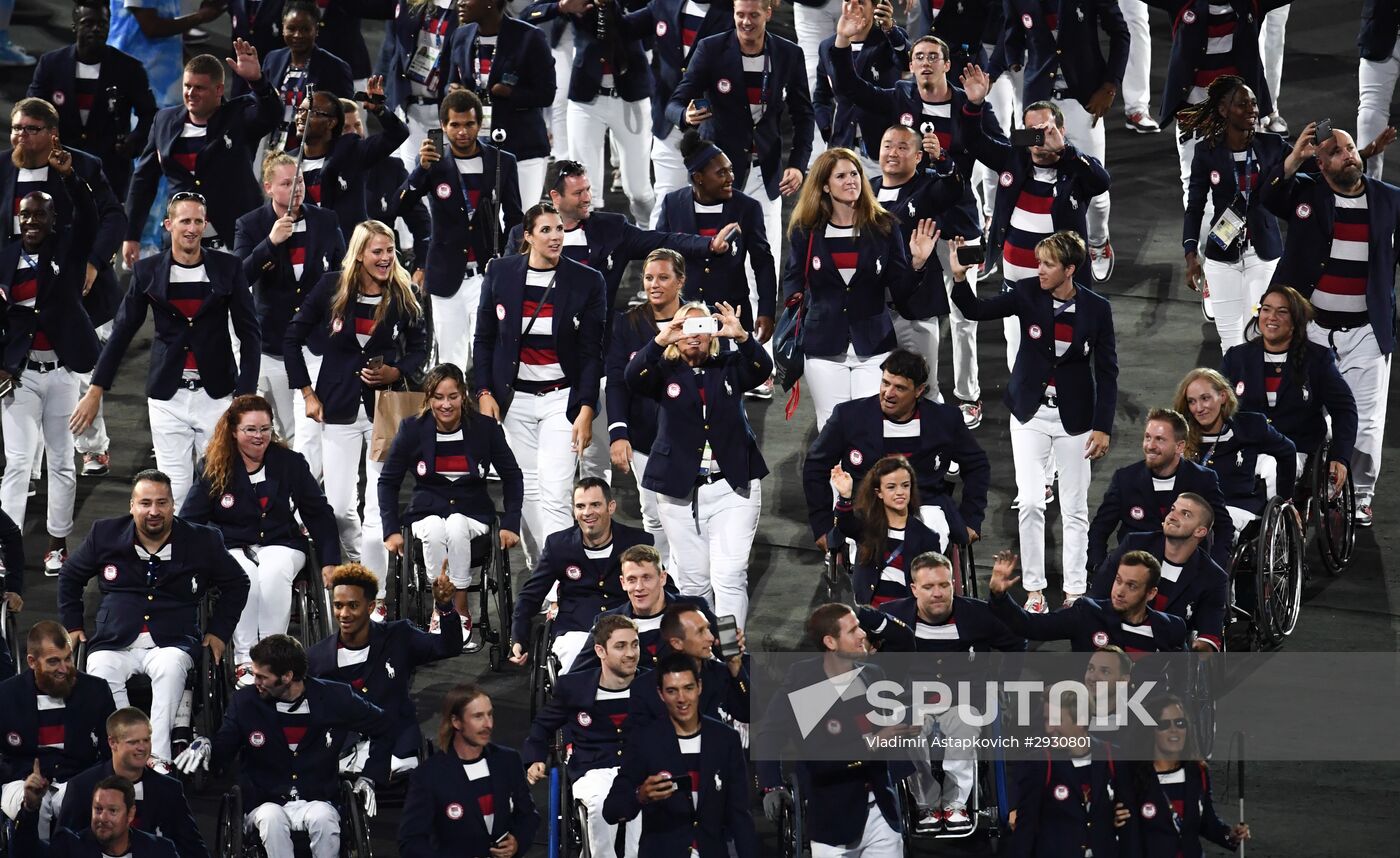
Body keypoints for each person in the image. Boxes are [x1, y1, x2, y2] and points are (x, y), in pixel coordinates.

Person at [827, 15, 997, 423]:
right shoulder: (900, 95)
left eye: (932, 57)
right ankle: (917, 389)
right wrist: (841, 42)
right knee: (908, 307)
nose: (923, 63)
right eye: (918, 56)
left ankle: (968, 393)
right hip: (909, 222)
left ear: (946, 64)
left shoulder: (967, 104)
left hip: (958, 220)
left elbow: (996, 152)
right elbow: (850, 88)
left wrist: (951, 154)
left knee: (962, 315)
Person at [949, 231, 1116, 611]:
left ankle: (1075, 591)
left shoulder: (1096, 309)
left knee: (1074, 507)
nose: (1038, 269)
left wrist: (1102, 426)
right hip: (1030, 413)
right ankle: (1035, 591)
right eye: (1038, 263)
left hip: (1076, 419)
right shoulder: (1027, 294)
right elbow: (977, 310)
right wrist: (959, 278)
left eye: (1047, 264)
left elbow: (1108, 373)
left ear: (1069, 269)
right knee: (1030, 502)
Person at [73, 192, 262, 508]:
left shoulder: (228, 267)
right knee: (176, 491)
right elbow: (121, 333)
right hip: (167, 398)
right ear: (168, 224)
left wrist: (244, 396)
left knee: (221, 490)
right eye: (185, 220)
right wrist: (96, 390)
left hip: (217, 397)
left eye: (198, 221)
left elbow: (250, 334)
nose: (192, 228)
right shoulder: (147, 271)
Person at [57, 470, 250, 765]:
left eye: (162, 503)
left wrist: (219, 632)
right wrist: (73, 625)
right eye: (145, 503)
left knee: (171, 669)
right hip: (114, 641)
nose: (154, 511)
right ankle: (123, 753)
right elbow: (70, 575)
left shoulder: (203, 540)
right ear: (132, 506)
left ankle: (157, 756)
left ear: (173, 505)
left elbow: (237, 583)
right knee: (98, 670)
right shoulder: (104, 534)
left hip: (172, 642)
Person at [1260, 122, 1400, 527]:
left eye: (1352, 148)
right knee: (1302, 408)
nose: (1349, 155)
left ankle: (1359, 494)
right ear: (1320, 163)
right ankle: (1304, 478)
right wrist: (1293, 158)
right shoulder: (1305, 194)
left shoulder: (1390, 200)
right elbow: (1265, 194)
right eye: (1337, 151)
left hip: (1367, 332)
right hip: (1312, 329)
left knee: (1368, 418)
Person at [284, 220, 430, 584]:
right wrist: (306, 393)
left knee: (379, 506)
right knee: (338, 508)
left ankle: (375, 594)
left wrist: (396, 372)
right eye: (376, 251)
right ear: (360, 254)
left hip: (386, 409)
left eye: (389, 250)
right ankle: (360, 567)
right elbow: (291, 338)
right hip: (337, 407)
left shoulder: (403, 292)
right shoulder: (331, 287)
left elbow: (419, 348)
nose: (384, 258)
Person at [474, 202, 605, 569]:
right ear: (527, 236)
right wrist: (484, 393)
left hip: (561, 400)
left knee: (557, 491)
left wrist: (586, 408)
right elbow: (483, 339)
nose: (556, 236)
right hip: (514, 402)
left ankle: (561, 582)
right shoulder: (500, 273)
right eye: (546, 230)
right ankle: (541, 569)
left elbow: (592, 353)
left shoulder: (587, 281)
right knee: (527, 490)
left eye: (560, 229)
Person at [175, 634, 389, 858]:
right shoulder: (245, 703)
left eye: (261, 677)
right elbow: (223, 751)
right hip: (264, 800)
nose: (254, 682)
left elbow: (384, 726)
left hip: (317, 798)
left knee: (324, 817)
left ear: (287, 676)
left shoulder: (335, 697)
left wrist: (370, 776)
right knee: (271, 817)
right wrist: (207, 746)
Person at [625, 300, 769, 626]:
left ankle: (731, 654)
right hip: (678, 489)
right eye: (686, 328)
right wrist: (662, 339)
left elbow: (762, 369)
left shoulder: (730, 365)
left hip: (732, 485)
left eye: (701, 328)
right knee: (693, 581)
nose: (694, 336)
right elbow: (632, 377)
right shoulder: (663, 371)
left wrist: (743, 337)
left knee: (729, 576)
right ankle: (703, 653)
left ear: (712, 334)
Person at [958, 65, 1112, 365]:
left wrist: (1066, 151)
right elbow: (973, 142)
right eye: (1032, 132)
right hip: (1016, 289)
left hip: (1062, 292)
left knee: (1063, 361)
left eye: (1046, 131)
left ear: (1061, 131)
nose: (1038, 139)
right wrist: (974, 105)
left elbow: (1102, 181)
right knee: (1018, 363)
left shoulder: (1075, 169)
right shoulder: (1013, 158)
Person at [181, 395, 341, 683]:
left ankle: (272, 655)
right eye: (251, 430)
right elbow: (190, 520)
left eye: (265, 429)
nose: (259, 436)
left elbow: (318, 513)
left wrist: (330, 560)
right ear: (233, 431)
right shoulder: (214, 466)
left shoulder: (289, 463)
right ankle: (244, 660)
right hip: (231, 544)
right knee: (244, 577)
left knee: (273, 570)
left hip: (282, 542)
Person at [0, 158, 103, 577]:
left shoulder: (70, 249)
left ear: (53, 219)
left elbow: (92, 216)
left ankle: (57, 545)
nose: (31, 222)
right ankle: (7, 549)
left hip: (62, 375)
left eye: (40, 215)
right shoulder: (3, 256)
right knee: (19, 463)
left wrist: (70, 178)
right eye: (25, 215)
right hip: (19, 378)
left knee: (61, 461)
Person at [874, 552, 1025, 834]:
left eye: (944, 585)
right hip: (914, 701)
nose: (937, 593)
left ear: (953, 584)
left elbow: (1017, 642)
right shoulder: (893, 615)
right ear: (914, 589)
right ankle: (926, 804)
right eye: (928, 587)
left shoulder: (977, 614)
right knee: (909, 729)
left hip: (965, 700)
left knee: (966, 726)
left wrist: (1004, 684)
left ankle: (956, 804)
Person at [668, 0, 816, 283]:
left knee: (763, 259)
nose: (746, 22)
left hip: (766, 171)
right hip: (717, 176)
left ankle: (764, 327)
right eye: (740, 15)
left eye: (753, 15)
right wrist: (685, 116)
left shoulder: (788, 54)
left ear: (768, 14)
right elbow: (675, 102)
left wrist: (797, 165)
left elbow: (804, 116)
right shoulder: (711, 48)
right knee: (712, 261)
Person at [782, 148, 927, 429]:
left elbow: (899, 290)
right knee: (832, 425)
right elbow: (793, 277)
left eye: (854, 174)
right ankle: (835, 475)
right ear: (824, 185)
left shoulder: (884, 226)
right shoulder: (806, 230)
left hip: (873, 346)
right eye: (841, 176)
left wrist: (917, 264)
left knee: (870, 424)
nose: (851, 181)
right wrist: (795, 301)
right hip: (823, 345)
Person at [379, 363, 523, 645]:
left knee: (456, 524)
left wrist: (511, 522)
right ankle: (440, 607)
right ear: (428, 399)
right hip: (426, 509)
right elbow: (387, 481)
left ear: (464, 396)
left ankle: (460, 609)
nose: (446, 404)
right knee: (433, 528)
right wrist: (391, 529)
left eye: (453, 396)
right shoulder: (411, 429)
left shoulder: (485, 428)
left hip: (472, 511)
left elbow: (512, 475)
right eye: (438, 397)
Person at [755, 604, 907, 857]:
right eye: (853, 630)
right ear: (830, 641)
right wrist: (771, 785)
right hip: (833, 818)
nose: (862, 635)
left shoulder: (873, 673)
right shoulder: (805, 680)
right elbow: (774, 735)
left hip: (882, 812)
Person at [803, 348, 989, 552]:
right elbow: (815, 465)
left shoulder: (945, 419)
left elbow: (977, 464)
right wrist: (822, 524)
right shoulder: (849, 417)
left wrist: (972, 517)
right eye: (885, 383)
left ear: (919, 391)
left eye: (899, 388)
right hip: (868, 507)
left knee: (932, 549)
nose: (888, 393)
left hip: (926, 506)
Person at [1001, 0, 1127, 282]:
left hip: (1084, 104)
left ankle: (1097, 242)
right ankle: (1037, 250)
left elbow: (1121, 32)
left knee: (1095, 188)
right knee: (1029, 179)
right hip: (1036, 107)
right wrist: (1014, 64)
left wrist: (1110, 85)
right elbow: (1012, 32)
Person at [398, 89, 524, 371]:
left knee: (490, 358)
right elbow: (399, 206)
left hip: (488, 274)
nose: (462, 131)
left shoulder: (503, 161)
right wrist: (420, 170)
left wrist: (507, 261)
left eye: (469, 124)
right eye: (454, 125)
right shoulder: (433, 165)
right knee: (450, 363)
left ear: (480, 124)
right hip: (446, 278)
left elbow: (515, 218)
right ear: (443, 126)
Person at [122, 48, 284, 264]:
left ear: (219, 90)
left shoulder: (238, 116)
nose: (191, 93)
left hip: (235, 242)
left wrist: (258, 81)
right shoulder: (164, 120)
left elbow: (272, 114)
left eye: (199, 88)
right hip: (180, 244)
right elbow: (143, 180)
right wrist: (131, 234)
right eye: (187, 86)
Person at [308, 563, 464, 783]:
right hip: (343, 753)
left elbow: (448, 647)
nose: (343, 614)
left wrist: (445, 607)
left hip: (397, 749)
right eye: (338, 605)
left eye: (353, 605)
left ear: (371, 606)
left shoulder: (399, 636)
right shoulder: (316, 658)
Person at [233, 150, 347, 445]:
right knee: (285, 429)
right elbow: (241, 278)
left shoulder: (325, 220)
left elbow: (342, 274)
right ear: (268, 187)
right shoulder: (250, 225)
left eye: (299, 182)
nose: (296, 189)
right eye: (286, 183)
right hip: (271, 345)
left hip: (314, 343)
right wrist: (270, 243)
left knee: (310, 430)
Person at [602, 652, 758, 857]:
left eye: (688, 688)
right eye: (672, 691)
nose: (682, 699)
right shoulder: (645, 741)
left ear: (699, 687)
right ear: (660, 694)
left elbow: (740, 815)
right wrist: (640, 796)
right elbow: (612, 811)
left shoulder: (725, 740)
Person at [521, 615, 645, 857]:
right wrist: (535, 757)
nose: (631, 653)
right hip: (592, 768)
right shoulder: (574, 687)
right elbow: (542, 725)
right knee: (601, 802)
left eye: (635, 644)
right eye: (620, 646)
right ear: (600, 650)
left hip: (640, 767)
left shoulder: (652, 684)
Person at [1177, 76, 1287, 343]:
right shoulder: (1206, 152)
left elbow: (1313, 168)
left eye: (1253, 103)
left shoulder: (1271, 146)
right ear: (1224, 110)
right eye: (1242, 104)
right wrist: (1191, 254)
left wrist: (1360, 155)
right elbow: (1195, 207)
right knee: (1231, 344)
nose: (1252, 109)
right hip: (1221, 255)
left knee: (1257, 335)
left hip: (1262, 254)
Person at [1220, 285, 1357, 498]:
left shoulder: (1317, 359)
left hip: (1295, 447)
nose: (1271, 317)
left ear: (1295, 321)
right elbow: (1218, 408)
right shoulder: (1237, 358)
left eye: (1282, 311)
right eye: (1266, 309)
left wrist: (1340, 457)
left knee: (1273, 471)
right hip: (1246, 446)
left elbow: (1344, 409)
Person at [869, 124, 968, 404]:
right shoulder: (866, 190)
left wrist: (944, 160)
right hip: (873, 312)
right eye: (888, 145)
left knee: (924, 390)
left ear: (917, 157)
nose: (893, 153)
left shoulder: (926, 188)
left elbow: (953, 186)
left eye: (902, 147)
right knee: (875, 392)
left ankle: (937, 447)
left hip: (915, 312)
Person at [510, 478, 650, 673]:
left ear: (611, 507)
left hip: (628, 625)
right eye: (580, 506)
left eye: (595, 505)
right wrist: (518, 637)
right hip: (576, 629)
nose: (587, 513)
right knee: (577, 665)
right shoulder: (558, 545)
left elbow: (661, 587)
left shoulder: (637, 541)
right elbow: (530, 596)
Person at [27, 1, 159, 199]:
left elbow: (150, 114)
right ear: (74, 27)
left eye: (102, 24)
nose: (96, 29)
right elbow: (32, 111)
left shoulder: (129, 69)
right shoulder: (51, 65)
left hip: (110, 171)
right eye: (88, 23)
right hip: (57, 167)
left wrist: (135, 141)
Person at [656, 132, 778, 347]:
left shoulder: (747, 208)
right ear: (698, 177)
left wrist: (767, 310)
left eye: (730, 170)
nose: (731, 177)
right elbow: (660, 252)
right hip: (683, 316)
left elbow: (763, 262)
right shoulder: (673, 204)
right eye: (721, 173)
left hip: (732, 317)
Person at [619, 0, 736, 222]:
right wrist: (605, 8)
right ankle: (657, 256)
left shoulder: (735, 12)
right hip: (669, 121)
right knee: (666, 200)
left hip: (716, 126)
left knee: (718, 207)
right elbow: (624, 29)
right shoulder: (664, 4)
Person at [398, 684, 540, 858]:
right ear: (456, 721)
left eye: (490, 714)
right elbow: (411, 841)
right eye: (478, 716)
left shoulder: (507, 761)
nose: (488, 724)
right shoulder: (429, 776)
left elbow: (528, 815)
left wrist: (517, 841)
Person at [0, 622, 115, 833]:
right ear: (32, 662)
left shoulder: (96, 691)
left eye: (68, 658)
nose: (64, 668)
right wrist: (20, 776)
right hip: (19, 779)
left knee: (71, 801)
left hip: (76, 778)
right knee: (36, 804)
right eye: (54, 661)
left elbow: (111, 752)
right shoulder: (5, 695)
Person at [605, 250, 685, 554]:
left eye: (663, 277)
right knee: (653, 513)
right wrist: (618, 433)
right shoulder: (628, 323)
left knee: (691, 512)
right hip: (644, 436)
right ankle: (667, 582)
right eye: (649, 277)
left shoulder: (696, 321)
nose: (654, 284)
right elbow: (616, 381)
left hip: (691, 435)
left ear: (680, 281)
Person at [1087, 409, 1235, 573]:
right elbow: (1099, 530)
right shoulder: (1125, 479)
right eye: (1147, 437)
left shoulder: (1202, 480)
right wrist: (1099, 567)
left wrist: (1213, 567)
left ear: (1179, 446)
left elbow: (1224, 527)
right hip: (1136, 577)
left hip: (1186, 575)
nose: (1150, 446)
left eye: (1159, 440)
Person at [444, 0, 556, 206]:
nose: (459, 2)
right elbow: (450, 82)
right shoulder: (460, 36)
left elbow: (546, 94)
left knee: (521, 226)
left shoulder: (529, 38)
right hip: (478, 151)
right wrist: (453, 91)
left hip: (522, 149)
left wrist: (511, 93)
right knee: (485, 227)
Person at [57, 709, 207, 858]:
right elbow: (64, 848)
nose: (142, 748)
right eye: (133, 742)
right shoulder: (81, 787)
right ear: (112, 743)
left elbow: (193, 849)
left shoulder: (169, 790)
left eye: (146, 740)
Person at [1089, 495, 1230, 652]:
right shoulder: (1134, 545)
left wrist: (1200, 650)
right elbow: (1097, 595)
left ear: (1200, 531)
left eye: (1185, 514)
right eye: (1173, 509)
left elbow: (1210, 636)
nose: (1172, 516)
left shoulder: (1213, 577)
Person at [1008, 691, 1138, 858]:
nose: (1048, 728)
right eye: (1046, 720)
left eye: (1055, 721)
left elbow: (1129, 823)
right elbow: (1025, 832)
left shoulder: (1113, 758)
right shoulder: (1038, 763)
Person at [988, 548, 1189, 653]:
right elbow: (1031, 626)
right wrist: (1000, 596)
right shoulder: (1087, 613)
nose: (1119, 591)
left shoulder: (1170, 628)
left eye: (1132, 586)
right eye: (1118, 581)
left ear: (1151, 593)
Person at [1174, 367, 1297, 536]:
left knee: (1211, 528)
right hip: (1193, 512)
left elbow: (1288, 451)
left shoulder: (1250, 426)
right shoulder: (1182, 436)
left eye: (1205, 398)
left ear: (1222, 396)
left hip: (1238, 509)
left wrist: (1286, 499)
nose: (1199, 408)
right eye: (1192, 401)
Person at [289, 81, 412, 242]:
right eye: (300, 110)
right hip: (305, 253)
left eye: (312, 112)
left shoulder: (351, 152)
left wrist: (380, 110)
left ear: (331, 123)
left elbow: (398, 134)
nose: (301, 116)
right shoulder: (288, 162)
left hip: (350, 254)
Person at [1133, 695, 1250, 857]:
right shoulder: (1134, 777)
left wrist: (1230, 836)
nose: (1174, 729)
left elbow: (1209, 825)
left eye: (1180, 723)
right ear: (1151, 731)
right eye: (1164, 724)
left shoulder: (1197, 772)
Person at [571, 544, 717, 674]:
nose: (639, 588)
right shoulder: (607, 622)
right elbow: (576, 676)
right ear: (623, 583)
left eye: (646, 578)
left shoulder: (693, 608)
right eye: (632, 580)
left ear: (662, 578)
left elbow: (731, 651)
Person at [831, 456, 945, 606]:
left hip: (906, 619)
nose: (900, 492)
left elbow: (931, 585)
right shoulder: (866, 525)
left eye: (905, 486)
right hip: (867, 614)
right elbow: (845, 524)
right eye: (891, 487)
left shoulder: (927, 537)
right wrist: (845, 497)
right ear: (879, 492)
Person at [813, 0, 912, 173]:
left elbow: (906, 62)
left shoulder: (887, 39)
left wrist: (890, 29)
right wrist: (827, 128)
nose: (852, 7)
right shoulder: (828, 46)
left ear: (875, 7)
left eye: (860, 2)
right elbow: (821, 95)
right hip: (842, 147)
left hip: (881, 151)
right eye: (847, 1)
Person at [248, 0, 354, 150]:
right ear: (283, 28)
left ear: (316, 30)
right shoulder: (273, 59)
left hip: (311, 152)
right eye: (291, 28)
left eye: (305, 29)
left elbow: (344, 117)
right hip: (270, 149)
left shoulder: (335, 68)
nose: (298, 35)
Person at [383, 0, 466, 173]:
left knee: (437, 177)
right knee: (410, 176)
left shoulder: (468, 9)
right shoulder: (411, 5)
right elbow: (392, 47)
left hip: (442, 114)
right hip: (409, 108)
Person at [11, 775, 180, 858]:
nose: (103, 818)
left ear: (130, 814)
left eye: (112, 811)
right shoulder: (70, 847)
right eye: (98, 809)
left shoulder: (160, 851)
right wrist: (30, 808)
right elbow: (25, 852)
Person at [639, 604, 750, 725]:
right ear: (677, 643)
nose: (711, 637)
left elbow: (748, 714)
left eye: (708, 629)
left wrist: (735, 665)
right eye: (701, 632)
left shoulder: (721, 674)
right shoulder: (647, 686)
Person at [1358, 0, 1400, 177]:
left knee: (1371, 111)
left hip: (1380, 24)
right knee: (1370, 114)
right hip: (1380, 26)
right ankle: (1366, 190)